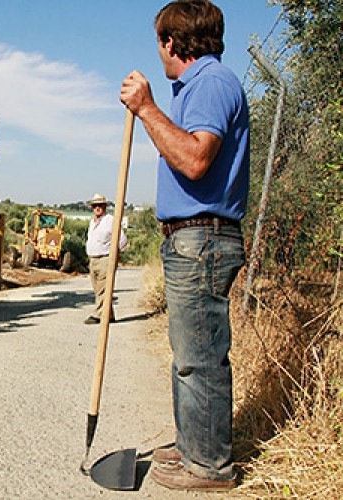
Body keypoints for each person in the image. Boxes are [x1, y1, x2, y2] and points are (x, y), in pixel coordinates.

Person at [119, 0, 249, 491]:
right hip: (190, 238)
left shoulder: (212, 84)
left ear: (172, 43)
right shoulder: (196, 88)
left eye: (160, 43)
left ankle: (210, 465)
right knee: (187, 354)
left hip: (203, 236)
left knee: (200, 356)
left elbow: (196, 159)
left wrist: (147, 109)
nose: (159, 52)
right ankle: (192, 444)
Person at [84, 194, 127, 325]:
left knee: (103, 288)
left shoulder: (110, 220)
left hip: (105, 258)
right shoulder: (92, 222)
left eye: (100, 205)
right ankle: (109, 314)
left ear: (105, 207)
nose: (97, 208)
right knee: (98, 289)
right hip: (93, 259)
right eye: (95, 206)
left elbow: (122, 240)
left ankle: (98, 314)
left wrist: (114, 256)